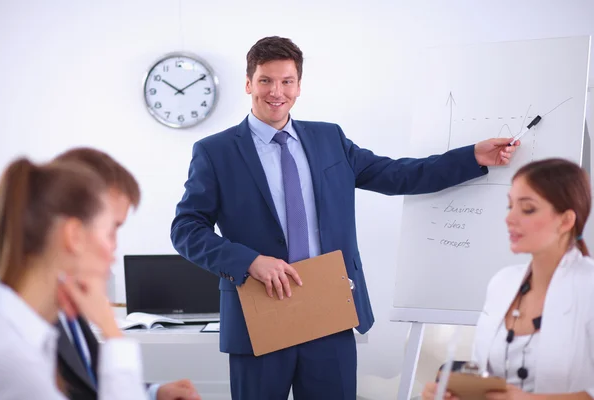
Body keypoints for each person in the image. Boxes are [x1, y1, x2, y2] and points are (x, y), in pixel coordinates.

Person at [171, 35, 518, 400]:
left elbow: (398, 174)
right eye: (266, 80)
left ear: (299, 86)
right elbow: (186, 229)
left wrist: (471, 158)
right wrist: (250, 261)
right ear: (248, 84)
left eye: (287, 81)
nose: (277, 91)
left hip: (329, 308)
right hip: (259, 312)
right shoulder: (216, 151)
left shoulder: (328, 138)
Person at [422, 158, 594, 400]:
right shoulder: (503, 283)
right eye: (510, 206)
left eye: (527, 209)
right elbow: (484, 377)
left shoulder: (588, 287)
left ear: (566, 220)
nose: (509, 218)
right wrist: (456, 393)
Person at [53, 148, 200, 400]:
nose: (114, 247)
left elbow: (89, 382)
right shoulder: (24, 322)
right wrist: (110, 328)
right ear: (74, 229)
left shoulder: (66, 305)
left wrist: (154, 393)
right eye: (112, 229)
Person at [0, 157, 147, 400]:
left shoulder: (24, 335)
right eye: (109, 232)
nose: (113, 253)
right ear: (74, 235)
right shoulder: (14, 360)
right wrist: (112, 331)